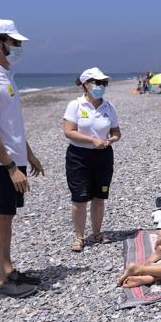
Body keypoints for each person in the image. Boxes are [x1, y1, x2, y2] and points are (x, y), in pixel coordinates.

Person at [0, 19, 45, 300]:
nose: (19, 46)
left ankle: (9, 269)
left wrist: (28, 155)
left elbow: (10, 125)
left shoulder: (5, 74)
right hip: (0, 163)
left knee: (7, 217)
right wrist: (12, 167)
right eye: (15, 41)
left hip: (14, 159)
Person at [63, 67, 121, 252]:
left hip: (103, 156)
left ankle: (97, 233)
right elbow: (69, 132)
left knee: (99, 197)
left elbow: (116, 131)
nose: (101, 86)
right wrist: (92, 140)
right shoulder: (76, 105)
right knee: (79, 199)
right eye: (97, 82)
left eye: (104, 83)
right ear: (86, 84)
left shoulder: (109, 106)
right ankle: (79, 237)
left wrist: (112, 139)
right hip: (79, 157)